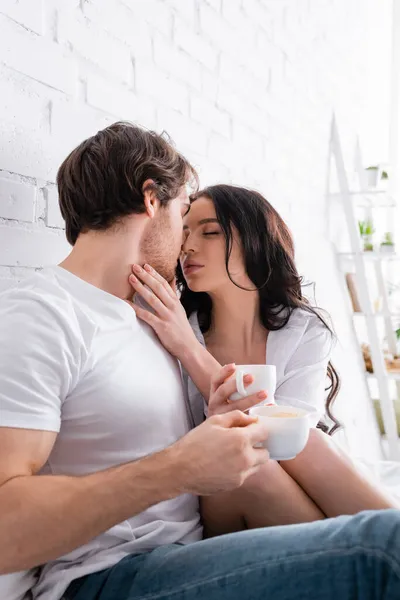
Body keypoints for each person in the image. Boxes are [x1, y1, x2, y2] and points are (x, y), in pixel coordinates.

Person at [0, 123, 399, 600]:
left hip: (192, 549)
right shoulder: (43, 313)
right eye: (183, 213)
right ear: (152, 200)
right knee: (384, 552)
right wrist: (177, 468)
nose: (185, 242)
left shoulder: (152, 315)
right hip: (111, 575)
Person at [131, 184, 398, 536]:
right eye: (184, 232)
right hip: (218, 491)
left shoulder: (304, 329)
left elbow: (286, 440)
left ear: (256, 240)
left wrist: (190, 351)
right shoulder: (173, 324)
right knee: (254, 461)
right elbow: (242, 444)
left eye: (210, 232)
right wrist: (187, 346)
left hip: (281, 483)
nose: (188, 245)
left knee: (303, 439)